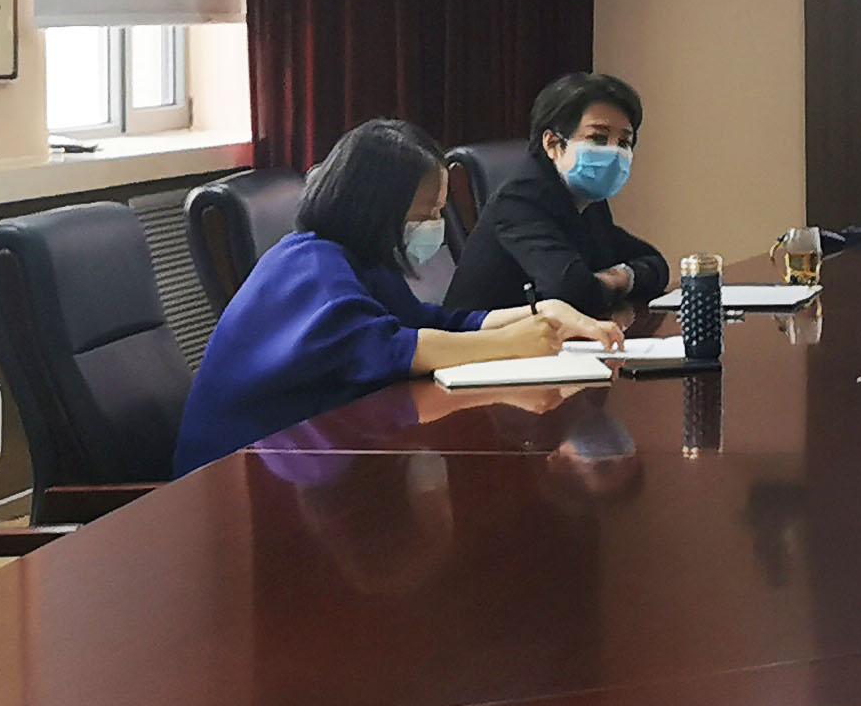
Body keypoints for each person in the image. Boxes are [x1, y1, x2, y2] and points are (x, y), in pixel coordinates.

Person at [177, 120, 621, 474]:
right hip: (234, 474)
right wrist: (509, 343)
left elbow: (427, 322)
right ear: (378, 208)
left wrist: (538, 314)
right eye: (426, 213)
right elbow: (385, 349)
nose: (435, 225)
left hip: (308, 458)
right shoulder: (310, 265)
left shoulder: (363, 260)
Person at [444, 72, 668, 321]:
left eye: (624, 142)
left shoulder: (585, 198)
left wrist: (617, 277)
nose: (614, 152)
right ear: (552, 144)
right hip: (481, 342)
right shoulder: (519, 201)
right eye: (598, 138)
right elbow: (572, 291)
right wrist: (605, 281)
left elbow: (656, 264)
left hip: (549, 335)